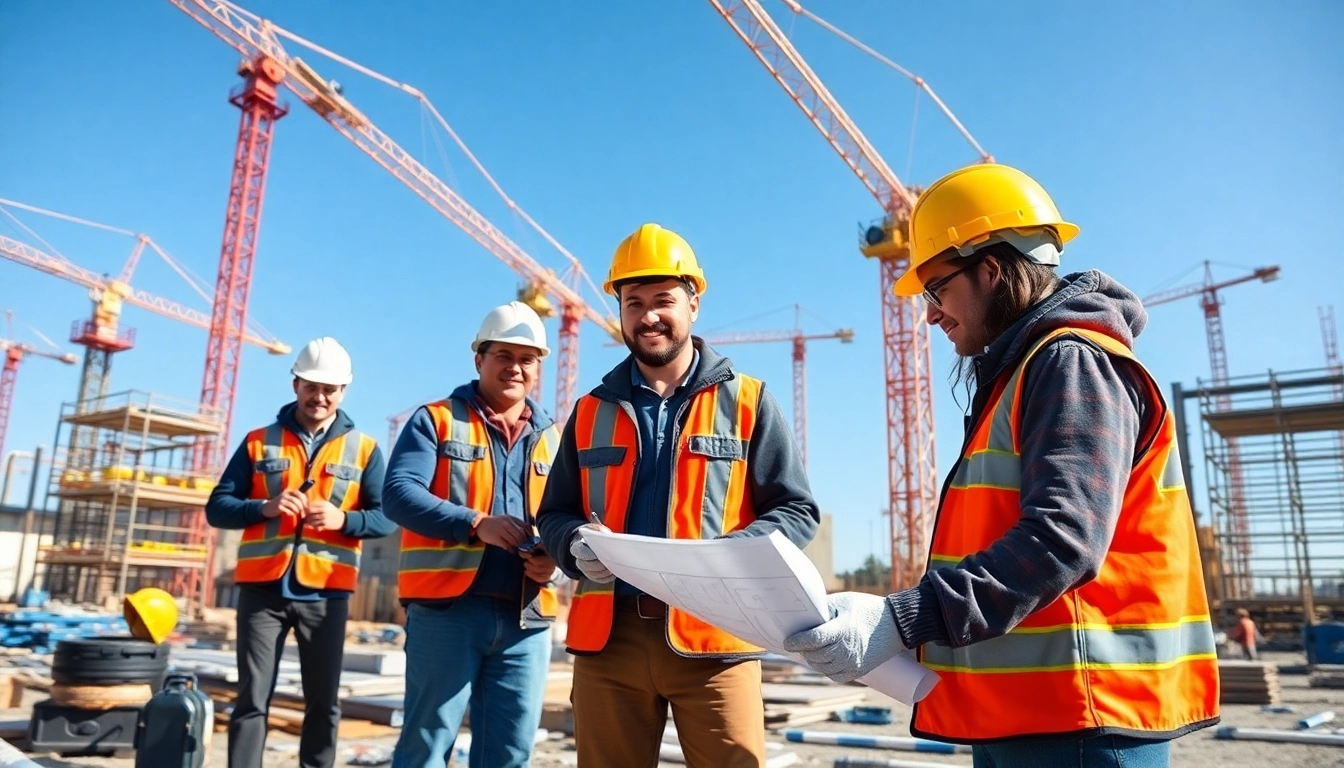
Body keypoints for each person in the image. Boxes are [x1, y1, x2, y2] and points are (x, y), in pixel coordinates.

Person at [783, 164, 1220, 767]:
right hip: (1034, 714)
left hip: (1084, 718)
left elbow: (1063, 539)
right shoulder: (1024, 373)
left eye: (936, 288)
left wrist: (904, 619)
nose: (930, 314)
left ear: (990, 269)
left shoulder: (1070, 362)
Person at [537, 223, 821, 768]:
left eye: (663, 300)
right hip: (609, 643)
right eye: (633, 302)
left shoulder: (749, 400)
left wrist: (737, 552)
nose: (648, 316)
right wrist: (572, 544)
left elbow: (796, 509)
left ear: (693, 303)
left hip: (716, 639)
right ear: (618, 310)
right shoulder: (590, 412)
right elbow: (554, 513)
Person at [384, 301, 564, 768]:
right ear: (478, 359)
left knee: (509, 754)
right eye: (504, 355)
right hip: (447, 611)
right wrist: (475, 523)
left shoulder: (556, 439)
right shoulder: (436, 420)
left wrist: (557, 563)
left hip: (528, 618)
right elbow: (400, 493)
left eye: (527, 359)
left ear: (539, 368)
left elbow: (573, 517)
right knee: (427, 746)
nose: (516, 367)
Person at [207, 336, 395, 768]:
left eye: (330, 388)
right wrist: (264, 507)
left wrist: (343, 519)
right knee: (252, 697)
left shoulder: (364, 449)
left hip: (326, 594)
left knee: (323, 701)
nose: (320, 396)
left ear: (343, 391)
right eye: (312, 385)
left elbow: (388, 517)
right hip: (262, 592)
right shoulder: (258, 442)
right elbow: (218, 507)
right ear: (295, 384)